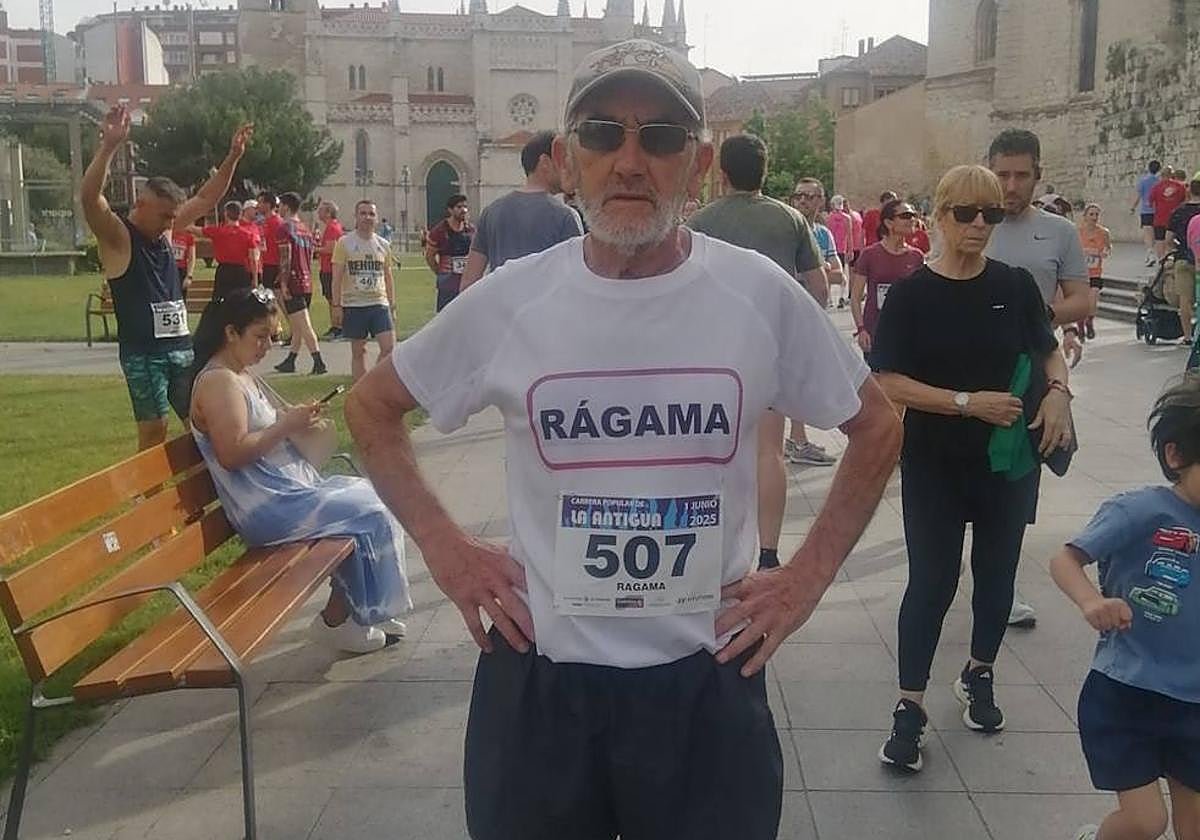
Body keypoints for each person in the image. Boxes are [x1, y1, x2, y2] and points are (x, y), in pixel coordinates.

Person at [345, 38, 902, 840]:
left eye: (662, 137)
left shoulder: (755, 295)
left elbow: (876, 425)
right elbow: (371, 407)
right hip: (541, 678)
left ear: (700, 162)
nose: (630, 161)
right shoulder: (514, 301)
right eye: (604, 134)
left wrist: (805, 578)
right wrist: (445, 547)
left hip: (703, 683)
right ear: (569, 160)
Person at [871, 164, 1072, 773]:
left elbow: (1047, 349)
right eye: (966, 214)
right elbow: (887, 379)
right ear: (940, 216)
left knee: (998, 573)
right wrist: (965, 403)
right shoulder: (912, 294)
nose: (980, 225)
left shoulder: (1013, 284)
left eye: (992, 214)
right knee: (932, 580)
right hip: (935, 461)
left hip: (1007, 461)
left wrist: (1059, 392)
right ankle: (909, 705)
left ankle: (978, 673)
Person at [188, 287, 410, 653]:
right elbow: (231, 452)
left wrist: (298, 418)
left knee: (376, 496)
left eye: (272, 338)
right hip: (267, 505)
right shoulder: (218, 382)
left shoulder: (240, 374)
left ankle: (353, 615)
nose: (266, 347)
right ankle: (353, 616)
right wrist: (286, 426)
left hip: (287, 493)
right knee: (367, 509)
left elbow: (270, 425)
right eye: (260, 337)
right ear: (230, 333)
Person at [1050, 377, 1200, 840]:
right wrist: (1092, 601)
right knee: (1145, 821)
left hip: (1194, 703)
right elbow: (1065, 559)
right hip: (1126, 692)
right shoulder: (1140, 511)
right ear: (1176, 456)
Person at [685, 133, 830, 571]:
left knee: (713, 450)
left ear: (721, 173)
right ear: (765, 172)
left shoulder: (700, 223)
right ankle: (768, 552)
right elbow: (819, 288)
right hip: (769, 350)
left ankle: (714, 548)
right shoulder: (790, 220)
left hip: (713, 352)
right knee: (769, 450)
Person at [80, 104, 252, 450]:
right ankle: (150, 499)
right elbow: (89, 198)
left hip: (180, 348)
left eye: (174, 217)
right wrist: (110, 146)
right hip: (145, 355)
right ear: (141, 206)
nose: (170, 225)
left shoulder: (167, 230)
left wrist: (233, 157)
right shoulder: (119, 236)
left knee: (203, 425)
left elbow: (205, 198)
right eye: (164, 217)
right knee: (154, 432)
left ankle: (207, 493)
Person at [985, 129, 1089, 629]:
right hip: (971, 369)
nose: (1010, 185)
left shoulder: (1059, 232)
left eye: (1020, 175)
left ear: (1037, 176)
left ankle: (1002, 583)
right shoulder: (971, 222)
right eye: (1002, 174)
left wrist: (1039, 314)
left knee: (1020, 480)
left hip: (1032, 368)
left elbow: (1081, 299)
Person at [460, 130, 585, 291]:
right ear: (545, 162)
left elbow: (468, 284)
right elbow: (577, 284)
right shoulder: (566, 217)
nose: (569, 170)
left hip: (501, 312)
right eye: (564, 162)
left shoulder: (491, 212)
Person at [850, 198, 925, 358]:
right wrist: (861, 329)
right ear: (889, 223)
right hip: (875, 331)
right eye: (906, 215)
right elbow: (855, 297)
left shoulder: (916, 256)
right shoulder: (869, 255)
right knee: (878, 381)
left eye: (914, 215)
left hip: (907, 333)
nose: (912, 219)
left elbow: (922, 298)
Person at [333, 199, 395, 382]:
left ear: (376, 219)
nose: (367, 217)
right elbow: (336, 277)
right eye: (363, 213)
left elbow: (388, 275)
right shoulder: (345, 243)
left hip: (379, 303)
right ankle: (360, 389)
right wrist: (336, 306)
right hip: (354, 304)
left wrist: (392, 304)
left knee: (389, 348)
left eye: (371, 214)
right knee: (359, 351)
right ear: (356, 217)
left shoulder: (383, 245)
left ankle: (372, 383)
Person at [272, 191, 326, 375]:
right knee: (297, 325)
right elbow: (310, 256)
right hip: (306, 279)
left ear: (286, 206)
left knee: (303, 324)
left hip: (294, 281)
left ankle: (318, 361)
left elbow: (285, 257)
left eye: (280, 205)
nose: (278, 208)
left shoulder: (284, 228)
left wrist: (284, 283)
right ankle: (290, 360)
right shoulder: (305, 228)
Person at [194, 200, 260, 301]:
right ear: (240, 214)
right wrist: (255, 279)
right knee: (241, 301)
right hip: (241, 271)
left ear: (226, 214)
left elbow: (197, 231)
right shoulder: (248, 235)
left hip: (224, 271)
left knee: (220, 301)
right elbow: (253, 259)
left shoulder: (218, 231)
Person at [424, 194, 474, 311]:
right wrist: (440, 272)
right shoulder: (439, 231)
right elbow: (430, 256)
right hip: (447, 285)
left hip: (467, 284)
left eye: (465, 207)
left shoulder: (471, 230)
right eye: (459, 207)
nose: (463, 210)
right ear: (450, 210)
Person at [1168, 178, 1200, 345]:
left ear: (1189, 192)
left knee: (1185, 299)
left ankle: (1187, 336)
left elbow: (1169, 239)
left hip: (1183, 258)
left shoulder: (1178, 211)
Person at [1077, 203, 1112, 341]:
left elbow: (1108, 248)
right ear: (1085, 216)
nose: (1094, 217)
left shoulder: (1104, 232)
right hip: (1080, 272)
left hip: (1095, 272)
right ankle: (1080, 327)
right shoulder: (1077, 232)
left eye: (1096, 214)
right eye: (1091, 214)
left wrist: (1105, 252)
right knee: (1081, 302)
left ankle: (1089, 321)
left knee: (1092, 301)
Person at [316, 200, 345, 340]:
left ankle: (340, 327)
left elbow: (331, 249)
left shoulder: (332, 228)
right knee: (330, 299)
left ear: (328, 213)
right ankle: (335, 325)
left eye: (321, 210)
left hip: (331, 269)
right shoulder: (330, 227)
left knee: (334, 299)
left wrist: (314, 249)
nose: (318, 213)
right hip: (326, 268)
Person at [1151, 167, 1188, 264]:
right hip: (1175, 219)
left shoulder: (1156, 187)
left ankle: (1161, 261)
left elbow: (1151, 203)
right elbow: (1184, 201)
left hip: (1159, 218)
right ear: (1172, 175)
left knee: (1160, 240)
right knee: (1173, 241)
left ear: (1162, 175)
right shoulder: (1180, 186)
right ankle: (1172, 260)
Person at [1133, 161, 1163, 267]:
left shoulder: (1143, 180)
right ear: (1159, 169)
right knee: (1157, 235)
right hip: (1158, 211)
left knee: (1147, 233)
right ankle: (1159, 256)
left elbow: (1138, 196)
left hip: (1146, 211)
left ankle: (1150, 254)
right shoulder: (1160, 182)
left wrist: (1133, 207)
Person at [257, 191, 284, 292]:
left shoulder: (277, 222)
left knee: (275, 298)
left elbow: (283, 247)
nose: (258, 206)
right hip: (264, 264)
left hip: (274, 265)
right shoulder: (263, 222)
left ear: (268, 204)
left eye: (260, 202)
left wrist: (281, 270)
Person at [238, 200, 263, 286]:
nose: (257, 212)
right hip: (244, 269)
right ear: (247, 210)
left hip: (258, 268)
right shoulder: (239, 226)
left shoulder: (256, 227)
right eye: (255, 209)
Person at [170, 226, 196, 302]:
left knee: (181, 299)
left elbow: (191, 258)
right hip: (168, 269)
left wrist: (189, 276)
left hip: (181, 270)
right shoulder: (167, 233)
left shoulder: (188, 236)